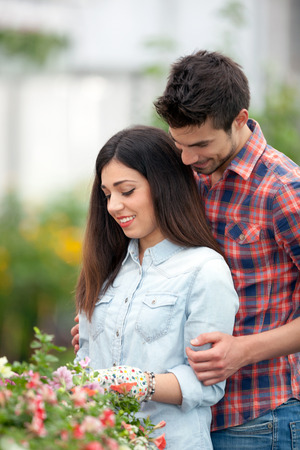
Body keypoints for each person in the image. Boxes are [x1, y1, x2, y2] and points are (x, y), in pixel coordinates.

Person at [153, 50, 300, 448]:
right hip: (185, 414)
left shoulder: (283, 190)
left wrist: (242, 351)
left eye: (200, 144)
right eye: (178, 143)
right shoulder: (187, 176)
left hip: (260, 416)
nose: (187, 158)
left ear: (239, 119)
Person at [74, 125, 239, 449]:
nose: (113, 206)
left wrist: (137, 383)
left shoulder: (204, 269)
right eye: (108, 194)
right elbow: (88, 365)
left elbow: (206, 384)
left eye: (127, 191)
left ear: (163, 184)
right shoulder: (105, 270)